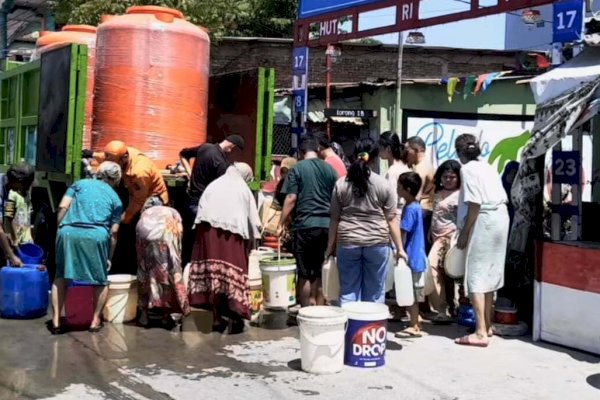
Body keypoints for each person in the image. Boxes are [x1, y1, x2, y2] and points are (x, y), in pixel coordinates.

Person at [326, 138, 406, 305]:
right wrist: (400, 249)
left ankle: (351, 330)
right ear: (376, 158)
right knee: (375, 292)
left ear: (354, 156)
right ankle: (370, 329)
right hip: (377, 242)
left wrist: (330, 247)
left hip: (347, 242)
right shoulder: (384, 185)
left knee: (348, 291)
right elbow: (391, 220)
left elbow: (335, 218)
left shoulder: (341, 184)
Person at [50, 162, 123, 334]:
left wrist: (61, 229)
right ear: (116, 179)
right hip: (95, 236)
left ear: (99, 173)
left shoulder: (79, 184)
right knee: (101, 280)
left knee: (60, 276)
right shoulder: (116, 199)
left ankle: (56, 322)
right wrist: (109, 257)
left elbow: (62, 207)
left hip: (68, 233)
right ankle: (95, 320)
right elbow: (114, 232)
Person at [188, 162, 260, 334]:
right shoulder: (243, 189)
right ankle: (235, 313)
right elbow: (254, 221)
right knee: (231, 273)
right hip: (230, 236)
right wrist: (252, 242)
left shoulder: (213, 185)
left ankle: (216, 317)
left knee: (214, 275)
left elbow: (201, 210)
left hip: (207, 233)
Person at [454, 134, 509, 347]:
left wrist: (465, 232)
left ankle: (479, 332)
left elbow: (475, 204)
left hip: (485, 218)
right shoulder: (487, 167)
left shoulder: (467, 169)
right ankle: (487, 324)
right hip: (501, 217)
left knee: (475, 275)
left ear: (460, 154)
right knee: (490, 272)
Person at [277, 139, 338, 307]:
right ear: (318, 150)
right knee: (320, 273)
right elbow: (336, 199)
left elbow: (291, 198)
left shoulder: (297, 169)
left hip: (304, 226)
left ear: (300, 153)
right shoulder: (330, 170)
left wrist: (281, 223)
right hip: (326, 227)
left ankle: (304, 311)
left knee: (304, 274)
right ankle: (318, 311)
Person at [179, 134, 245, 264]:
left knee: (187, 239)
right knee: (201, 242)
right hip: (204, 206)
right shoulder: (220, 163)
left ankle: (184, 267)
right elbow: (222, 190)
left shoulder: (205, 147)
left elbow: (182, 154)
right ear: (232, 145)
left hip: (190, 201)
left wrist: (189, 173)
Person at [136, 198, 190, 329]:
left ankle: (144, 313)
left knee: (146, 273)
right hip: (166, 235)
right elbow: (180, 231)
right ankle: (168, 315)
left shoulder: (144, 213)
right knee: (170, 272)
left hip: (145, 234)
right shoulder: (172, 211)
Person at [103, 140, 169, 225]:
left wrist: (124, 219)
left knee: (145, 224)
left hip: (152, 196)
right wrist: (91, 154)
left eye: (115, 164)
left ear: (124, 158)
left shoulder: (139, 172)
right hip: (133, 190)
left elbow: (138, 200)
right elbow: (106, 158)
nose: (112, 167)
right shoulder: (122, 153)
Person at [395, 172, 428, 338]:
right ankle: (416, 319)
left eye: (399, 186)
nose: (397, 189)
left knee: (410, 294)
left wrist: (399, 251)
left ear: (407, 189)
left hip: (412, 257)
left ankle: (414, 324)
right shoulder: (416, 206)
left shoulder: (409, 209)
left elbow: (403, 232)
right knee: (413, 292)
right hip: (418, 255)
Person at [428, 160, 461, 323]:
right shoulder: (438, 192)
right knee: (442, 274)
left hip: (450, 239)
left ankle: (444, 308)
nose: (448, 180)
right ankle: (446, 307)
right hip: (435, 237)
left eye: (452, 177)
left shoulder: (461, 194)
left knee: (435, 267)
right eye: (445, 176)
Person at [405, 136, 435, 237]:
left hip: (422, 213)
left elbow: (416, 196)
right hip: (427, 211)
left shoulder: (420, 169)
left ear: (416, 151)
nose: (405, 155)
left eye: (407, 151)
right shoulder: (427, 164)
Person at [3, 163, 35, 250]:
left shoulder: (27, 197)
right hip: (13, 239)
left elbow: (28, 218)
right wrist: (15, 238)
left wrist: (30, 237)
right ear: (20, 182)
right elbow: (9, 216)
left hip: (24, 239)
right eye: (28, 184)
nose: (29, 187)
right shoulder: (12, 195)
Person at [379, 131, 410, 217]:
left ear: (388, 148)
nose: (379, 150)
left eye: (380, 146)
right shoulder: (405, 166)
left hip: (396, 216)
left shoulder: (392, 172)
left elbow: (392, 200)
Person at [0, 168, 24, 266]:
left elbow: (9, 215)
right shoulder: (9, 194)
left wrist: (14, 238)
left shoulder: (8, 190)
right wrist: (11, 255)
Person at [501, 161, 520, 228]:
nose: (513, 176)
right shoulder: (500, 187)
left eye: (515, 174)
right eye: (511, 173)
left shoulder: (519, 189)